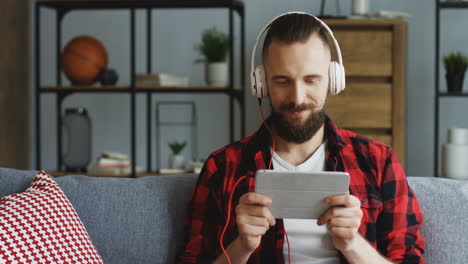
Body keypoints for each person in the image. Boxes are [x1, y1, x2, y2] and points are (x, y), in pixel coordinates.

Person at [177, 12, 425, 264]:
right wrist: (242, 246)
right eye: (282, 81)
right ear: (260, 84)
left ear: (332, 80)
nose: (297, 97)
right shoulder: (222, 167)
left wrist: (353, 245)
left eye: (311, 80)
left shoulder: (378, 162)